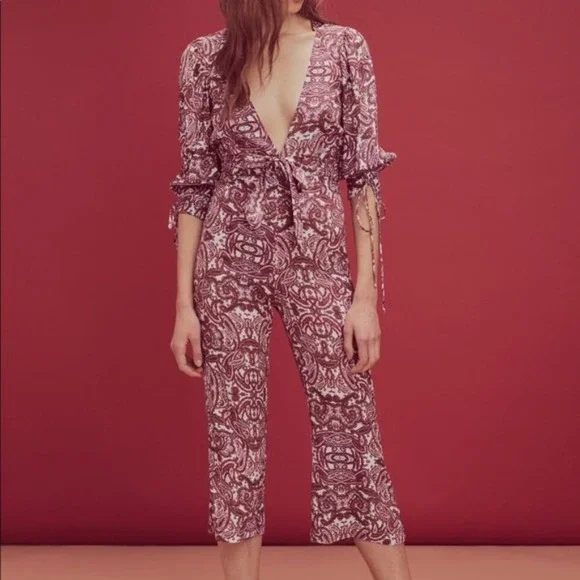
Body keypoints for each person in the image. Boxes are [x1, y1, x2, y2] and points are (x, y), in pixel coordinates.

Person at [168, 1, 413, 579]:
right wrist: (183, 307)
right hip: (228, 263)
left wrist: (364, 297)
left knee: (349, 420)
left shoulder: (344, 49)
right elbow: (194, 185)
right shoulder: (205, 59)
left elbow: (364, 180)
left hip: (317, 260)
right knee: (234, 437)